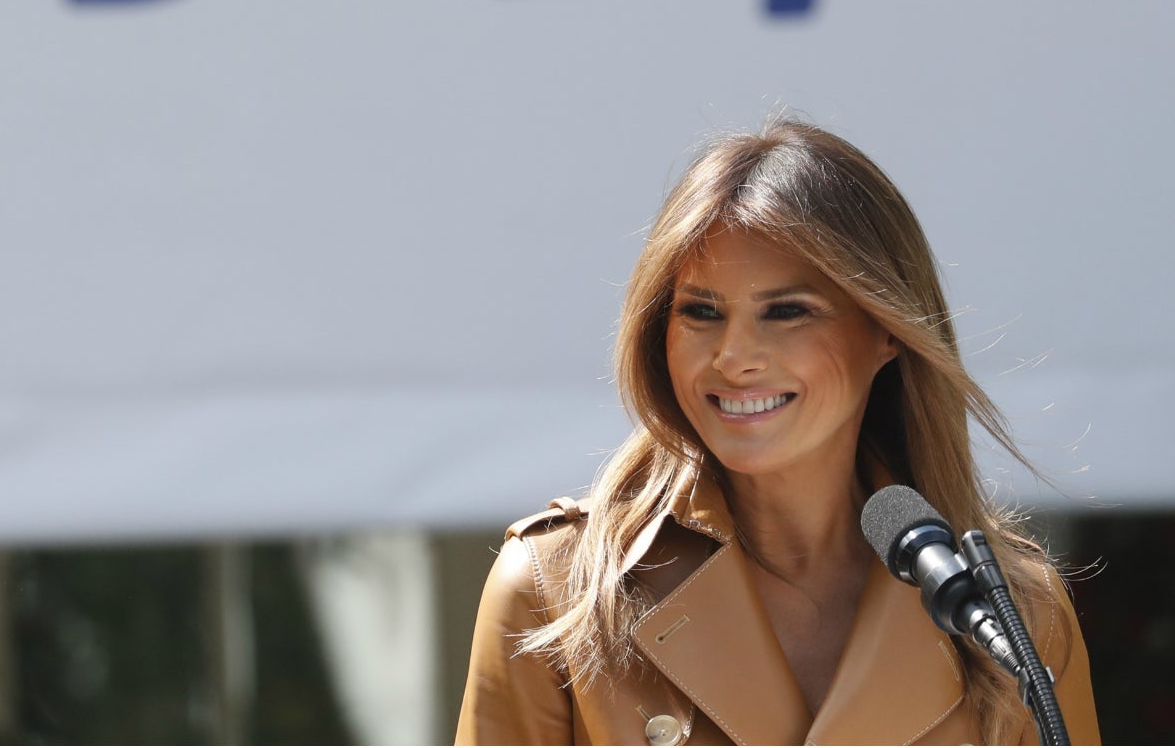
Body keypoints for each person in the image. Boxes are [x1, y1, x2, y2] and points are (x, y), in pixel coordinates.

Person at [457, 118, 1101, 746]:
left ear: (886, 331)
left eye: (788, 311)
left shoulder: (1015, 616)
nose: (734, 356)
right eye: (701, 312)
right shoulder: (555, 589)